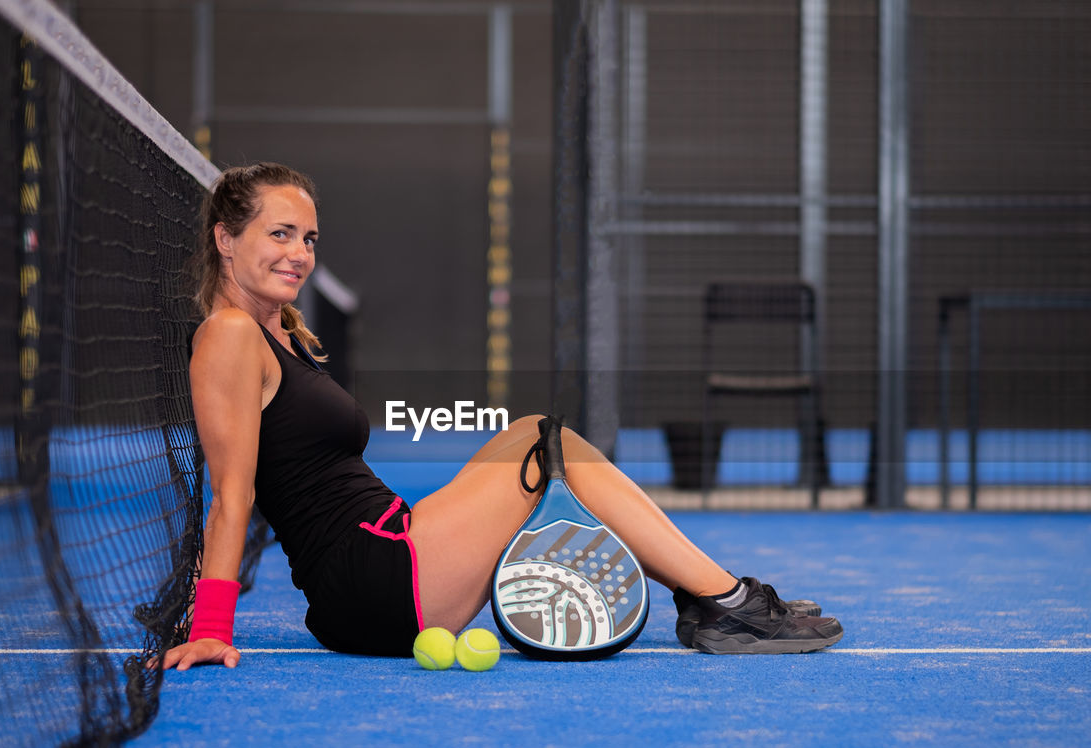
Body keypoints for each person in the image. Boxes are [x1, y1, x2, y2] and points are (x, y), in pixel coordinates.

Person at [162, 162, 842, 671]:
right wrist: (212, 626)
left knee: (537, 435)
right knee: (551, 448)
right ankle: (724, 602)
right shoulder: (227, 336)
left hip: (383, 549)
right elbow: (232, 494)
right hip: (368, 579)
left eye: (308, 237)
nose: (299, 253)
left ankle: (714, 599)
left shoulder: (278, 331)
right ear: (225, 238)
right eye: (279, 234)